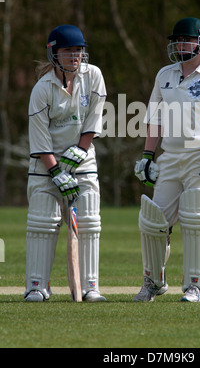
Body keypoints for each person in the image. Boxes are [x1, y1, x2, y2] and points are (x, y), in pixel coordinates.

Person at [134, 17, 200, 303]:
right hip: (169, 157)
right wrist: (147, 156)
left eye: (186, 40)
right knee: (154, 222)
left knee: (196, 219)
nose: (180, 45)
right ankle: (153, 281)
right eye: (177, 40)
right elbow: (154, 119)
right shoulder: (164, 75)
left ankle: (195, 286)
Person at [25, 24, 107, 302]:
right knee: (43, 220)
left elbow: (94, 120)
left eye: (79, 50)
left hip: (82, 161)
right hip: (46, 166)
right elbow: (39, 139)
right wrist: (57, 171)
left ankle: (90, 286)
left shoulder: (93, 75)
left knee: (89, 220)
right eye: (68, 50)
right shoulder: (41, 89)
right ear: (54, 53)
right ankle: (36, 286)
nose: (75, 56)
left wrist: (78, 154)